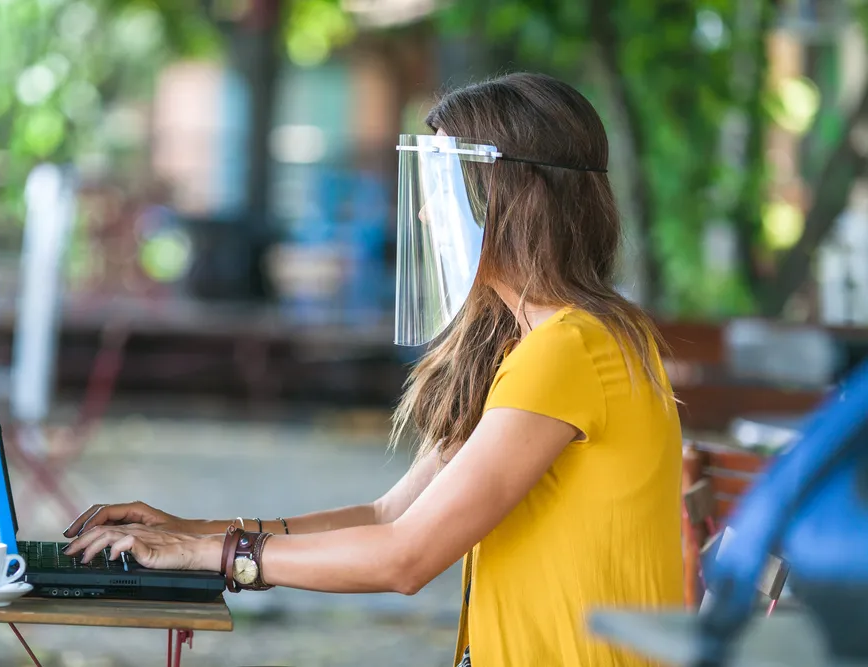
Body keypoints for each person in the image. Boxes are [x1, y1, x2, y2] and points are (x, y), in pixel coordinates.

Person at [64, 72, 684, 666]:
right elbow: (387, 516)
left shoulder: (569, 350)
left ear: (515, 198)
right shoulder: (537, 344)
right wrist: (192, 535)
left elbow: (405, 557)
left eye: (443, 186)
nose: (424, 215)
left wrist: (213, 554)